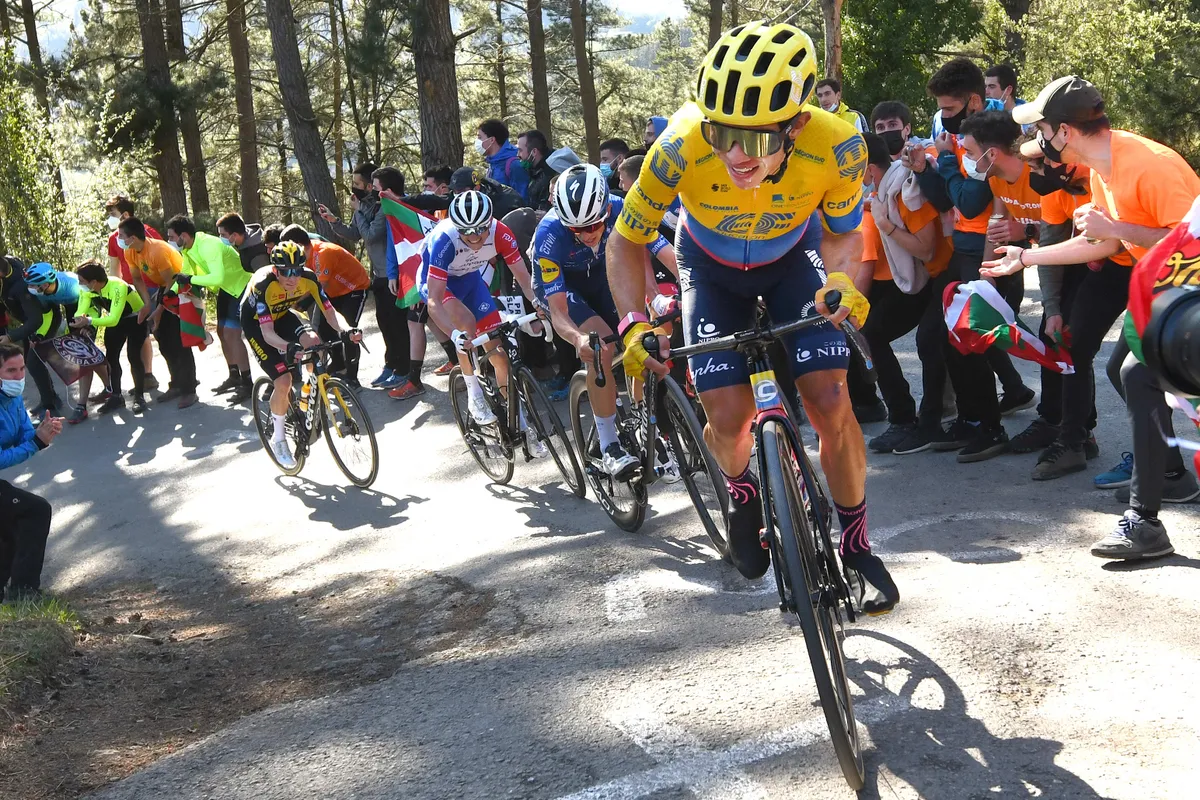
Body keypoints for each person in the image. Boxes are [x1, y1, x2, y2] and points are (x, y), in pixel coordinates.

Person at [608, 21, 898, 614]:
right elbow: (624, 241)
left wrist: (842, 280)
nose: (735, 156)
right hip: (708, 269)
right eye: (722, 134)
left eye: (757, 140)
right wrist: (633, 321)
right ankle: (741, 492)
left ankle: (856, 542)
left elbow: (844, 235)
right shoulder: (680, 145)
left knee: (830, 400)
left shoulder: (839, 145)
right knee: (731, 416)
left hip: (793, 260)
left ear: (796, 125)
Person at [982, 75, 1200, 559]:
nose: (1036, 141)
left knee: (1135, 372)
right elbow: (1101, 243)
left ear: (1065, 130)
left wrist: (1116, 226)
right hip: (1168, 292)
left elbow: (1190, 243)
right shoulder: (1104, 167)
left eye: (1040, 129)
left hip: (1189, 291)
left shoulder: (1151, 166)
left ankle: (1147, 518)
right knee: (1125, 372)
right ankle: (1169, 477)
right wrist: (1025, 259)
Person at [905, 58, 1032, 463]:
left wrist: (942, 163)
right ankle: (973, 418)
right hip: (964, 250)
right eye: (940, 110)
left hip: (985, 254)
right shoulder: (962, 140)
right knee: (940, 338)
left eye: (949, 109)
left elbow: (971, 199)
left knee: (967, 340)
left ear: (974, 101)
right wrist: (927, 168)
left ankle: (988, 425)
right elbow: (947, 197)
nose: (943, 118)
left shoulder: (988, 141)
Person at [533, 164, 671, 476]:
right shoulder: (549, 234)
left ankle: (638, 418)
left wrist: (688, 290)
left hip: (603, 273)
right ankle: (608, 444)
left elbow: (664, 252)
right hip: (564, 288)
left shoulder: (624, 209)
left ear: (607, 208)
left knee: (642, 334)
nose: (588, 233)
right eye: (577, 229)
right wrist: (576, 338)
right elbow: (557, 310)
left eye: (594, 223)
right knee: (600, 347)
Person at [854, 132, 955, 455]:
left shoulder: (904, 191)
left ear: (869, 170)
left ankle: (920, 422)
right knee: (874, 333)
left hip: (947, 271)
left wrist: (886, 226)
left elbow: (926, 251)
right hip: (931, 275)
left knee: (927, 341)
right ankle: (910, 418)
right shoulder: (888, 190)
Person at [420, 192, 542, 455]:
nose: (475, 238)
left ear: (490, 222)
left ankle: (520, 422)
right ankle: (475, 396)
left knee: (499, 355)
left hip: (470, 281)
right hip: (441, 288)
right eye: (468, 233)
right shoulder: (444, 239)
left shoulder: (501, 232)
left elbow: (523, 278)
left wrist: (540, 307)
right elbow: (434, 301)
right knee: (465, 322)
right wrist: (453, 335)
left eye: (480, 232)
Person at [241, 242, 363, 469]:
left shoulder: (309, 277)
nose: (292, 277)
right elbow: (267, 334)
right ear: (275, 270)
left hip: (283, 314)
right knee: (284, 380)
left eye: (296, 270)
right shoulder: (263, 285)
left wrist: (346, 329)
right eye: (285, 272)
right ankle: (279, 440)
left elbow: (329, 312)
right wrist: (288, 347)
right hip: (257, 325)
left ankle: (311, 393)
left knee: (315, 342)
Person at [319, 165, 412, 390]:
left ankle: (404, 369)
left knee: (397, 324)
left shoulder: (383, 208)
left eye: (358, 184)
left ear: (371, 186)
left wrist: (359, 209)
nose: (354, 188)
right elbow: (355, 234)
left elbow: (370, 236)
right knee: (384, 322)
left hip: (394, 274)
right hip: (378, 275)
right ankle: (391, 365)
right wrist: (334, 221)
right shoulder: (364, 206)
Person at [165, 215, 254, 403]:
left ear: (183, 235)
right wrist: (171, 293)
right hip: (227, 290)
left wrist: (189, 280)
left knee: (231, 334)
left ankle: (248, 384)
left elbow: (216, 278)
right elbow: (186, 273)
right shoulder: (189, 248)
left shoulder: (208, 245)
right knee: (222, 332)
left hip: (241, 287)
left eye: (172, 237)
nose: (170, 241)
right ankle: (234, 375)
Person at [0, 342, 61, 601]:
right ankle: (22, 592)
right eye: (10, 371)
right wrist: (36, 443)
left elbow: (25, 432)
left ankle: (9, 594)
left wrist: (42, 431)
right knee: (36, 510)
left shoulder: (13, 399)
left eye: (22, 368)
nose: (19, 376)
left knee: (9, 524)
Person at [119, 216, 199, 408]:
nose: (119, 239)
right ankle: (176, 384)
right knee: (163, 339)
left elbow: (171, 284)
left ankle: (189, 389)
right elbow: (137, 279)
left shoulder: (158, 251)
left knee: (179, 340)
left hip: (180, 286)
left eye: (122, 235)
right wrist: (147, 305)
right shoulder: (130, 252)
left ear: (133, 237)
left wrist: (158, 311)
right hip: (165, 288)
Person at [279, 224, 371, 388]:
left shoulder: (322, 253)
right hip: (335, 291)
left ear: (298, 245)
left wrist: (299, 305)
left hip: (354, 289)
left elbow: (320, 288)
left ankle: (352, 378)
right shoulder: (305, 255)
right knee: (324, 328)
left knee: (348, 331)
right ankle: (338, 364)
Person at [69, 261, 149, 415]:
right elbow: (81, 311)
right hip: (116, 321)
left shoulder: (117, 286)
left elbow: (113, 319)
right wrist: (81, 323)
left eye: (82, 282)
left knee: (134, 357)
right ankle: (116, 396)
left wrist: (89, 321)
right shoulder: (88, 289)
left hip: (135, 319)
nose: (80, 285)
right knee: (111, 358)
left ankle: (139, 397)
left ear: (93, 282)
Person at [104, 196, 159, 391]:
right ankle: (145, 376)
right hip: (130, 292)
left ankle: (162, 377)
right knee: (140, 333)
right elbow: (114, 269)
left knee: (160, 333)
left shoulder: (148, 233)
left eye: (113, 214)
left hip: (153, 288)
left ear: (125, 214)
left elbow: (163, 257)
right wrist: (112, 295)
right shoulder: (113, 240)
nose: (110, 218)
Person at [0, 257, 62, 418]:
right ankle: (51, 398)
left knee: (34, 363)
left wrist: (11, 337)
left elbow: (36, 320)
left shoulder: (20, 287)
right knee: (33, 362)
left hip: (45, 320)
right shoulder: (9, 266)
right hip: (32, 320)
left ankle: (50, 407)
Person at [476, 118, 530, 202]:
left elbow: (522, 200)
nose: (477, 142)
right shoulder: (493, 163)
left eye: (480, 137)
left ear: (492, 140)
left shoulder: (514, 164)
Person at [449, 167, 525, 221]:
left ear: (477, 187)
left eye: (460, 191)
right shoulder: (457, 201)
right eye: (454, 192)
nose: (457, 196)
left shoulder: (508, 200)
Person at [517, 131, 555, 214]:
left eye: (520, 150)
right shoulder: (534, 170)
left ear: (534, 152)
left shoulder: (548, 174)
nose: (518, 155)